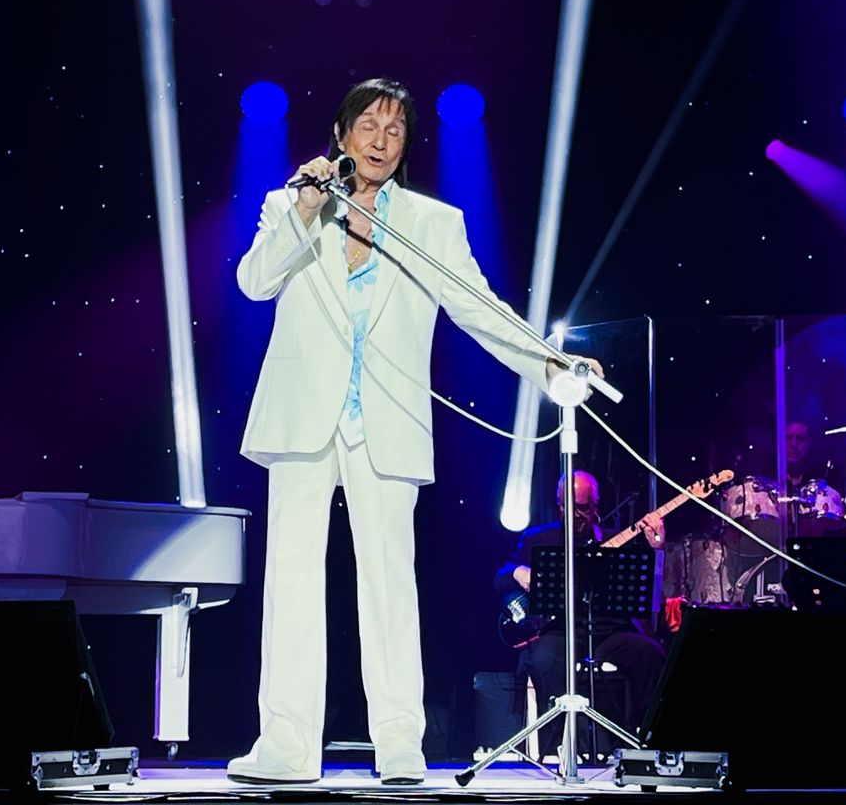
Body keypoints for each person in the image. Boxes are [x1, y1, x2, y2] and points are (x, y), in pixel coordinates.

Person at [228, 78, 599, 787]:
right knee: (293, 582)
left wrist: (548, 364)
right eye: (367, 125)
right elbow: (254, 282)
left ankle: (399, 743)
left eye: (394, 130)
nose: (379, 140)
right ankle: (285, 745)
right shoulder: (289, 205)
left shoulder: (432, 223)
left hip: (387, 418)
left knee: (391, 585)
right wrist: (305, 211)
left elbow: (477, 306)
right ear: (341, 135)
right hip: (304, 414)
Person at [494, 471, 667, 754]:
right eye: (567, 505)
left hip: (608, 632)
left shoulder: (616, 539)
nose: (574, 513)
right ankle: (555, 746)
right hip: (561, 631)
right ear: (558, 504)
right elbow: (499, 577)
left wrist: (657, 548)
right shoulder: (539, 538)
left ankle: (645, 742)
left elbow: (652, 591)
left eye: (582, 507)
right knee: (541, 660)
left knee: (650, 654)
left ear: (596, 506)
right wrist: (518, 571)